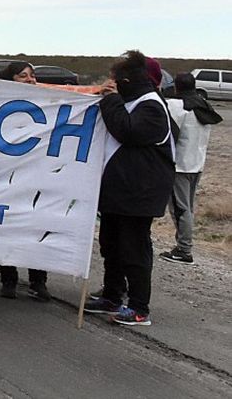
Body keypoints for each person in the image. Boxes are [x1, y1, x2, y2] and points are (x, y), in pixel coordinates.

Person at [84, 51, 175, 327]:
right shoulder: (133, 101)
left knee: (134, 249)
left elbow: (128, 131)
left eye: (117, 79)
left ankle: (139, 307)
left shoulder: (151, 106)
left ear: (128, 80)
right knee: (110, 245)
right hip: (119, 191)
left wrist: (110, 100)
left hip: (139, 193)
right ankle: (112, 294)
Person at [0, 60, 51, 301]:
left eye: (32, 75)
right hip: (10, 175)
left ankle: (38, 280)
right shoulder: (1, 107)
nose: (30, 79)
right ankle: (9, 278)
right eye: (23, 75)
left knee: (36, 226)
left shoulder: (48, 103)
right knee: (9, 226)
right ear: (11, 79)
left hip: (37, 175)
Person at [162, 73, 223, 265]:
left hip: (180, 164)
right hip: (197, 163)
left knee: (181, 209)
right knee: (187, 207)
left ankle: (184, 249)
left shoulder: (179, 106)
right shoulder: (204, 105)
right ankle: (183, 246)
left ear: (177, 87)